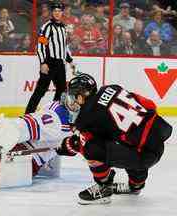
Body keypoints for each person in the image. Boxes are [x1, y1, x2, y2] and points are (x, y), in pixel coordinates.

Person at [58, 74, 173, 204]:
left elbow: (85, 144)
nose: (72, 102)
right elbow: (148, 104)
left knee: (89, 147)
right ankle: (136, 185)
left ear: (81, 96)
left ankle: (104, 187)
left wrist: (68, 145)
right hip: (158, 134)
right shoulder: (111, 88)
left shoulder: (86, 117)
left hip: (144, 155)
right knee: (128, 138)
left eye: (73, 97)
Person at [25, 1, 75, 114]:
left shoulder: (63, 28)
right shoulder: (47, 27)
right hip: (49, 62)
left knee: (62, 91)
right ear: (52, 12)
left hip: (60, 64)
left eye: (59, 11)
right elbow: (41, 45)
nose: (57, 13)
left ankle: (54, 113)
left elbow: (63, 47)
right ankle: (28, 114)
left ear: (62, 12)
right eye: (55, 11)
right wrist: (43, 62)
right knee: (41, 90)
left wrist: (70, 61)